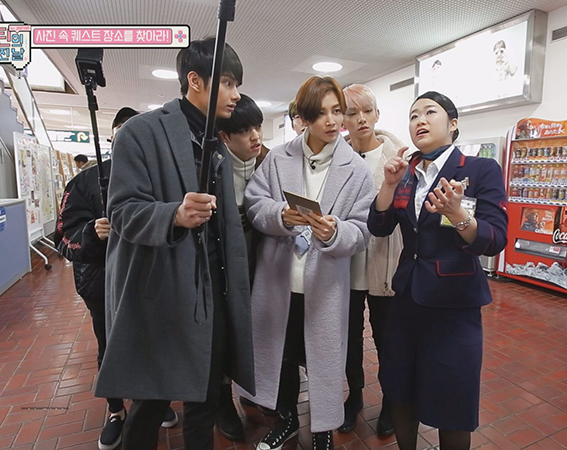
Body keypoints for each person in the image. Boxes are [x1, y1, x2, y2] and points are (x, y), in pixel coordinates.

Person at [95, 38, 255, 450]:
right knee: (151, 401)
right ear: (195, 81)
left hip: (213, 292)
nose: (236, 94)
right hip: (163, 292)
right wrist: (175, 215)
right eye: (228, 83)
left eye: (237, 85)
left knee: (206, 396)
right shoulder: (141, 132)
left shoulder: (215, 143)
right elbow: (122, 211)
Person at [367, 92, 507, 450]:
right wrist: (388, 184)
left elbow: (494, 240)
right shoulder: (406, 172)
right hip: (406, 299)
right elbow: (379, 227)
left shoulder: (479, 170)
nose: (420, 120)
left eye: (430, 112)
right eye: (413, 115)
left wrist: (459, 215)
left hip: (454, 306)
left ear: (453, 123)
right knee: (400, 387)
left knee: (453, 397)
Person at [241, 76, 375, 450]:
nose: (332, 121)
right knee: (281, 355)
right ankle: (285, 419)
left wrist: (335, 232)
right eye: (321, 113)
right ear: (303, 118)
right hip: (279, 280)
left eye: (337, 111)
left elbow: (363, 229)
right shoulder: (277, 159)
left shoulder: (357, 169)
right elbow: (254, 203)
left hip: (325, 283)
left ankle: (322, 430)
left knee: (323, 360)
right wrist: (280, 216)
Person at [56, 106, 182, 450]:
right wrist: (92, 233)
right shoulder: (84, 181)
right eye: (123, 135)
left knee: (154, 343)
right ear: (112, 139)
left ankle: (154, 402)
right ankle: (115, 411)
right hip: (103, 284)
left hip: (153, 279)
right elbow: (63, 238)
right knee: (110, 346)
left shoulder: (162, 177)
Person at [339, 84, 405, 436]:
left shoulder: (398, 158)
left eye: (367, 111)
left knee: (387, 338)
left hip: (385, 261)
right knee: (349, 338)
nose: (361, 119)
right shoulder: (337, 158)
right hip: (346, 264)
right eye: (352, 112)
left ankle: (392, 402)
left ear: (377, 114)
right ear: (342, 119)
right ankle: (354, 397)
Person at [209, 93, 268, 441]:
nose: (255, 137)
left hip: (261, 265)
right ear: (225, 136)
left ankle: (253, 389)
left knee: (256, 330)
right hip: (221, 269)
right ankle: (222, 399)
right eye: (245, 131)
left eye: (257, 127)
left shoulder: (269, 162)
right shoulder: (210, 169)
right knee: (223, 334)